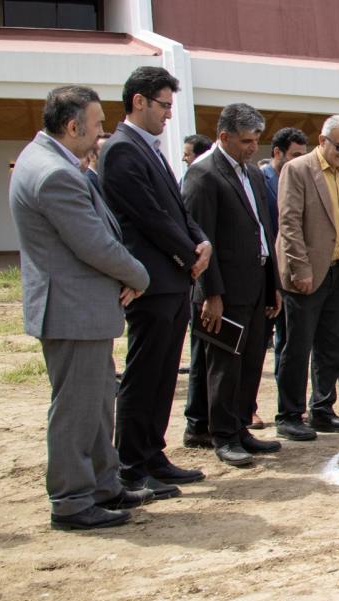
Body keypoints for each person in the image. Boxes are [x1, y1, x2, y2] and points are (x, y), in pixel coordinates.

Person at [10, 85, 153, 531]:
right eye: (96, 125)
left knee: (97, 404)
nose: (101, 134)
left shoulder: (49, 162)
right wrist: (139, 276)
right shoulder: (54, 174)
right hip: (72, 311)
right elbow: (94, 244)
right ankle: (72, 501)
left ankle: (103, 486)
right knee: (77, 409)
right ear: (73, 127)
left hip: (81, 308)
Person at [100, 66, 211, 497]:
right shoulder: (121, 151)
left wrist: (200, 241)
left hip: (173, 278)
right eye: (163, 105)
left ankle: (153, 454)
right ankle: (132, 464)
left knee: (164, 374)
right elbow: (149, 217)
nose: (168, 114)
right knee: (144, 374)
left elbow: (177, 211)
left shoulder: (148, 148)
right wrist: (190, 254)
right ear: (139, 101)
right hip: (149, 281)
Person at [180, 103, 282, 467]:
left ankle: (240, 427)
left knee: (251, 361)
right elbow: (200, 238)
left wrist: (272, 285)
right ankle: (221, 435)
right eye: (246, 141)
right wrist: (211, 294)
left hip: (255, 283)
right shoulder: (203, 174)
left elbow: (263, 230)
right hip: (223, 290)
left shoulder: (252, 173)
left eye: (256, 140)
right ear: (224, 136)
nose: (253, 147)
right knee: (224, 364)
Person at [275, 115, 339, 440]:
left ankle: (322, 409)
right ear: (323, 141)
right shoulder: (298, 170)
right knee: (298, 346)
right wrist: (300, 269)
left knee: (332, 344)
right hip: (307, 274)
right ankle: (289, 414)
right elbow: (289, 224)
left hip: (338, 271)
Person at [261, 127, 308, 378]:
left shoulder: (302, 182)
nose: (299, 161)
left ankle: (286, 391)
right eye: (295, 155)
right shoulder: (260, 180)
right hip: (265, 272)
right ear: (277, 153)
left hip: (291, 273)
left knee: (288, 338)